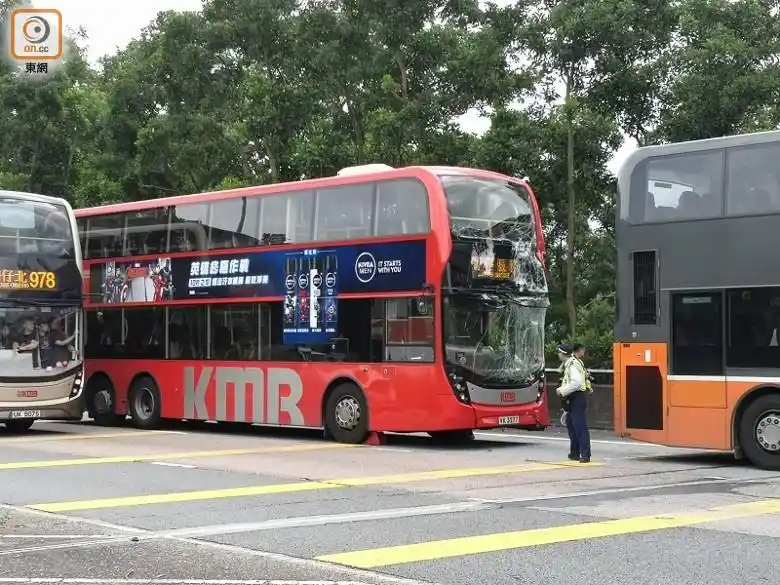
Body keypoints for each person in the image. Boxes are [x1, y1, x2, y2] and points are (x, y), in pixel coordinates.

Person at [555, 343, 592, 463]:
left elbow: (576, 383)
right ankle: (574, 453)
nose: (558, 354)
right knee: (572, 426)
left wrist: (562, 391)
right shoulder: (570, 363)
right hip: (573, 398)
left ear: (563, 353)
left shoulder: (572, 365)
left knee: (579, 426)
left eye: (559, 352)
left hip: (576, 397)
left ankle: (585, 454)